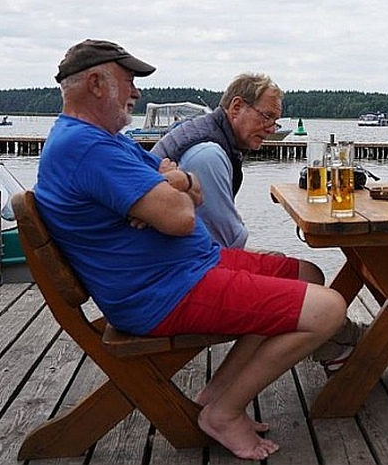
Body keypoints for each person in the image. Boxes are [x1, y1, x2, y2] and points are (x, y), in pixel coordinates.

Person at [35, 39, 347, 460]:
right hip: (163, 292)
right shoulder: (88, 147)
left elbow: (189, 191)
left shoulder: (106, 141)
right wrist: (174, 188)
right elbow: (182, 217)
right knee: (328, 309)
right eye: (128, 81)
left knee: (306, 274)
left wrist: (177, 182)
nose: (136, 91)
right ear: (95, 83)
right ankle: (224, 413)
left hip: (186, 269)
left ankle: (217, 394)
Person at [151, 74, 365, 372]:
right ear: (236, 107)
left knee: (304, 273)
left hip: (172, 262)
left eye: (276, 121)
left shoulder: (208, 137)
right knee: (300, 280)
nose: (272, 128)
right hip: (174, 282)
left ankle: (339, 345)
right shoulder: (208, 155)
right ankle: (351, 340)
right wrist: (258, 257)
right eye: (266, 117)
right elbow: (225, 241)